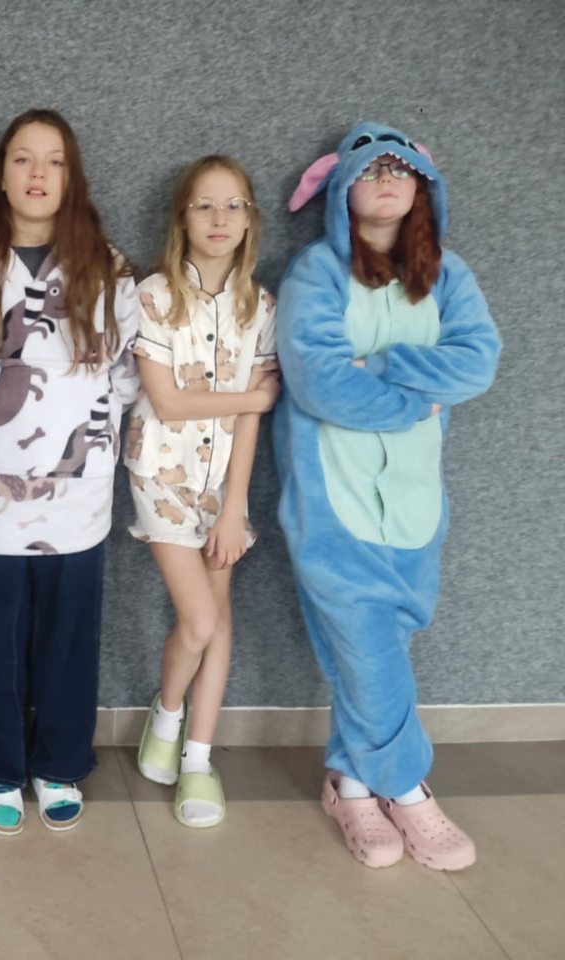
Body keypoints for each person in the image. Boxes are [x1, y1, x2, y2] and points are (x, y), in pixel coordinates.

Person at [275, 122, 500, 869]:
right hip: (331, 500)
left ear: (424, 188)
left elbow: (476, 363)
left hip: (414, 501)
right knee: (366, 648)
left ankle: (350, 783)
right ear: (341, 186)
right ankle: (408, 789)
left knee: (378, 648)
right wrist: (416, 394)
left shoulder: (450, 276)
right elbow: (318, 383)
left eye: (402, 169)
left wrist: (376, 364)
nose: (386, 179)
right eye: (372, 169)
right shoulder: (316, 273)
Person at [0, 109, 139, 835]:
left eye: (54, 161)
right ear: (1, 173)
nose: (37, 174)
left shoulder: (107, 267)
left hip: (79, 488)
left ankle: (59, 763)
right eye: (23, 158)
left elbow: (127, 374)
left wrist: (97, 441)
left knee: (69, 634)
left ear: (71, 176)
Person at [128, 155, 281, 829]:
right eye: (205, 205)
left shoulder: (262, 307)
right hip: (161, 478)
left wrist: (236, 504)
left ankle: (197, 757)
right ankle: (166, 712)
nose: (220, 218)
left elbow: (249, 420)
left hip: (224, 487)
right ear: (182, 218)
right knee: (198, 622)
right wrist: (255, 396)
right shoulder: (154, 296)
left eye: (233, 205)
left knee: (220, 616)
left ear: (250, 219)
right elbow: (168, 402)